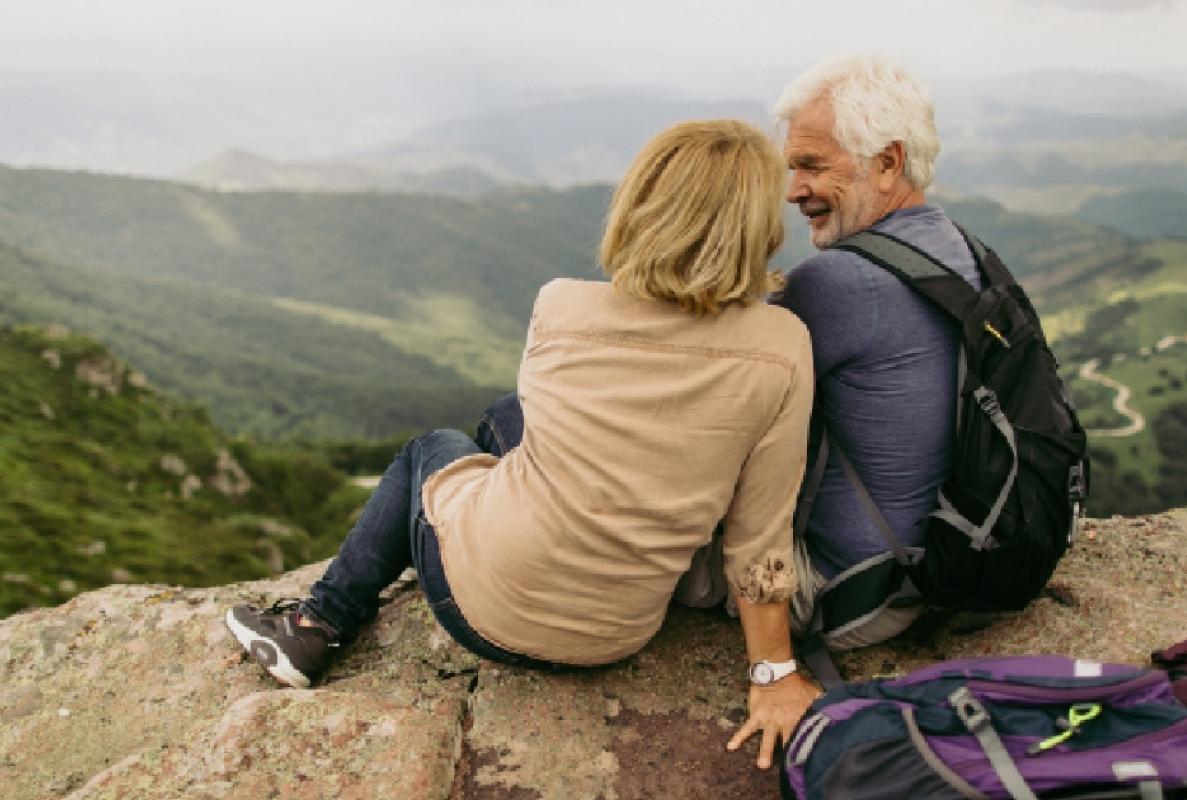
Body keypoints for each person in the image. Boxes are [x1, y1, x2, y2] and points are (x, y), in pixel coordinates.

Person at [225, 119, 821, 769]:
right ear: (756, 226)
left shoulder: (561, 306)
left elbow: (558, 426)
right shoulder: (783, 347)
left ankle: (315, 627)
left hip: (478, 608)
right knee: (505, 418)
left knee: (433, 444)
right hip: (615, 633)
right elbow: (759, 537)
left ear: (641, 207)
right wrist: (773, 674)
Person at [769, 55, 982, 648]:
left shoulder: (837, 283)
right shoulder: (961, 251)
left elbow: (720, 396)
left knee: (509, 426)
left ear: (887, 163)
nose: (793, 191)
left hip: (844, 592)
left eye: (811, 166)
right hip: (936, 564)